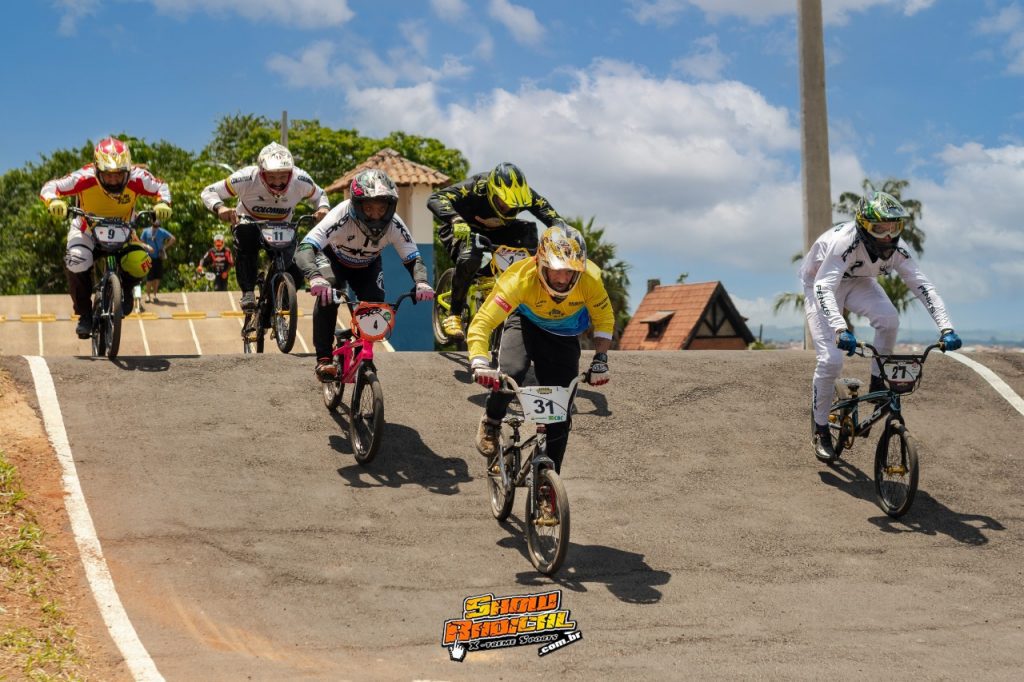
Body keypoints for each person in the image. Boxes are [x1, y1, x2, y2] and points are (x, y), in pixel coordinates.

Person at [800, 191, 962, 462]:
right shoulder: (845, 243)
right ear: (863, 226)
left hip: (859, 280)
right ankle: (821, 429)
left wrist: (946, 328)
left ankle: (877, 380)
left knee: (889, 320)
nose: (888, 236)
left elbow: (922, 286)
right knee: (831, 361)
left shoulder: (898, 250)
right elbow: (824, 286)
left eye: (894, 227)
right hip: (821, 283)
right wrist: (840, 329)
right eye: (880, 228)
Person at [468, 223, 613, 472]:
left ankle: (548, 489)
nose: (562, 279)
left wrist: (600, 359)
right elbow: (483, 323)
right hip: (525, 322)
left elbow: (604, 320)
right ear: (539, 263)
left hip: (563, 333)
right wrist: (480, 361)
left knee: (560, 414)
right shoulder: (518, 279)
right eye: (555, 270)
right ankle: (492, 421)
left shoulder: (590, 279)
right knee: (512, 372)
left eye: (569, 271)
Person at [295, 168, 434, 380]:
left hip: (368, 265)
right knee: (329, 293)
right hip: (333, 260)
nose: (376, 215)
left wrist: (422, 282)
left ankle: (361, 354)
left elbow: (414, 259)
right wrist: (314, 276)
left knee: (375, 304)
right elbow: (305, 247)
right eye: (369, 208)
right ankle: (323, 359)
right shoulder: (340, 215)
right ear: (357, 205)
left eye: (382, 208)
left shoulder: (395, 224)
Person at [40, 137, 172, 338]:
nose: (113, 180)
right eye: (107, 175)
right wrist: (54, 202)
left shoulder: (138, 177)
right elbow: (50, 187)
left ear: (127, 170)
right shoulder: (84, 176)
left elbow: (161, 188)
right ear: (96, 170)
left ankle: (125, 290)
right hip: (86, 230)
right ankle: (84, 314)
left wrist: (163, 204)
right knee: (76, 259)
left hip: (125, 231)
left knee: (141, 262)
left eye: (119, 175)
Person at [428, 162, 564, 340]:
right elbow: (435, 198)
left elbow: (551, 216)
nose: (508, 208)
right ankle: (454, 314)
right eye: (503, 203)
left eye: (513, 205)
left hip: (499, 232)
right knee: (470, 255)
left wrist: (563, 234)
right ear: (492, 192)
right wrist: (454, 218)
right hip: (462, 228)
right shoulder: (475, 187)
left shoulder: (526, 195)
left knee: (529, 233)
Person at [200, 142, 329, 311]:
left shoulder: (301, 179)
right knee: (246, 242)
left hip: (282, 225)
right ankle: (248, 293)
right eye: (272, 177)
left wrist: (323, 208)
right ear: (261, 173)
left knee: (295, 266)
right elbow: (208, 191)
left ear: (291, 173)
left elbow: (321, 195)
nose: (278, 183)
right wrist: (220, 207)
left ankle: (279, 298)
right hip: (250, 221)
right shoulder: (246, 177)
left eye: (283, 177)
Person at [139, 220, 176, 302]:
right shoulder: (146, 231)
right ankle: (148, 296)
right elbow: (141, 242)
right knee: (149, 278)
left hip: (158, 257)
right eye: (154, 226)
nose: (155, 228)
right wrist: (148, 247)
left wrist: (164, 247)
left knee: (157, 277)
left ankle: (155, 295)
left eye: (157, 226)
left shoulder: (162, 232)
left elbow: (173, 238)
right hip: (148, 257)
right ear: (152, 225)